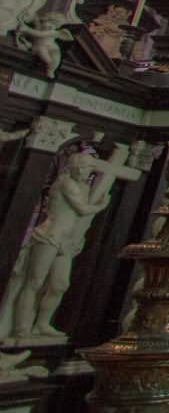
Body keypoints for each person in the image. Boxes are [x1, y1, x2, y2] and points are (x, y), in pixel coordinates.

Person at [0, 141, 145, 343]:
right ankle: (21, 328)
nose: (87, 172)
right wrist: (102, 205)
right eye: (85, 168)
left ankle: (42, 323)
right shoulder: (65, 182)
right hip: (49, 236)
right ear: (75, 167)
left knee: (60, 285)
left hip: (66, 241)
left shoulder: (83, 186)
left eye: (90, 168)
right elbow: (82, 209)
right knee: (34, 281)